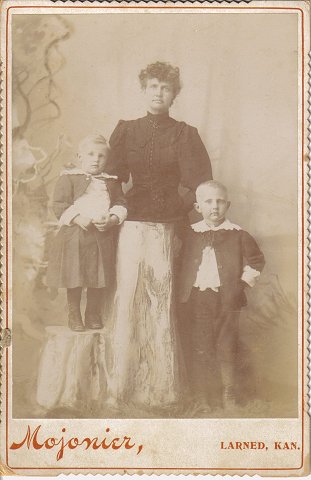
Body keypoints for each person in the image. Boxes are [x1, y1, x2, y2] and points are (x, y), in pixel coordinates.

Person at [107, 62, 212, 408]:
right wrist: (119, 206)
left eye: (165, 88)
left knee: (159, 301)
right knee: (128, 297)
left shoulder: (185, 134)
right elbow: (111, 178)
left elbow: (199, 184)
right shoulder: (126, 130)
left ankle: (161, 388)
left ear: (174, 95)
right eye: (152, 86)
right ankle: (120, 385)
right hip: (132, 222)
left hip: (168, 226)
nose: (158, 93)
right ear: (143, 90)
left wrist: (178, 208)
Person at [179, 180, 265, 412]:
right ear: (198, 207)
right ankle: (202, 395)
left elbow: (257, 262)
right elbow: (178, 262)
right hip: (196, 299)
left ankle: (229, 392)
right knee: (200, 345)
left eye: (219, 201)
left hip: (228, 299)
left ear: (228, 205)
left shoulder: (238, 234)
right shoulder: (190, 234)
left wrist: (241, 285)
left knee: (226, 344)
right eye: (208, 202)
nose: (214, 207)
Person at [46, 134, 127, 332]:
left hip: (101, 236)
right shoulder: (69, 177)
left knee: (97, 277)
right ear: (79, 156)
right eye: (90, 154)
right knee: (74, 275)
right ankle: (74, 314)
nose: (95, 159)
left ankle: (93, 313)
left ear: (107, 160)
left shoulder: (111, 182)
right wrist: (76, 217)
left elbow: (120, 203)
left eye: (101, 156)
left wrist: (112, 219)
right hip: (75, 236)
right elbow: (59, 204)